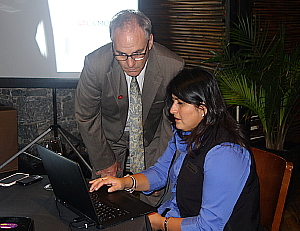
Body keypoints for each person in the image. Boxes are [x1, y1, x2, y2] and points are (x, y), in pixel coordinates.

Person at [89, 67, 260, 230]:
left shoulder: (225, 154)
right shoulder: (187, 133)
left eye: (180, 103)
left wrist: (160, 223)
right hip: (178, 217)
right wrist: (124, 182)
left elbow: (208, 226)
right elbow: (161, 172)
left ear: (203, 109)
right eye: (173, 101)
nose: (172, 110)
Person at [75, 9, 184, 188]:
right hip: (108, 138)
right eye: (121, 55)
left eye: (138, 53)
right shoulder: (95, 65)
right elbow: (86, 116)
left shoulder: (172, 67)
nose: (130, 63)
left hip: (152, 137)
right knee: (107, 196)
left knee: (153, 196)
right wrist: (104, 162)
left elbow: (169, 123)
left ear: (150, 42)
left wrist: (159, 170)